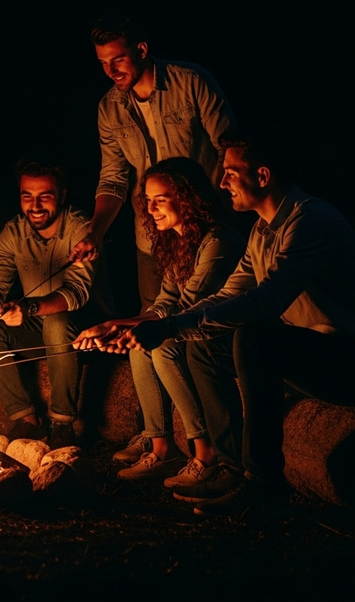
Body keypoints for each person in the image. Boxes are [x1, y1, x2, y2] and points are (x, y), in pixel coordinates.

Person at [107, 127, 355, 516]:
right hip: (308, 353)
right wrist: (161, 327)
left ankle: (265, 486)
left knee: (256, 338)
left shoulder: (309, 221)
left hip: (346, 357)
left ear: (262, 176)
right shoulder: (261, 232)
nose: (221, 181)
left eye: (230, 171)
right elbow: (227, 296)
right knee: (208, 345)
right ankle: (228, 465)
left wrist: (170, 326)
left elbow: (266, 299)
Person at [70, 12, 237, 464]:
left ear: (141, 50)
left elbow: (229, 147)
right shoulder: (110, 108)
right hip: (155, 238)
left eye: (118, 60)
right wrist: (96, 233)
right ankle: (156, 437)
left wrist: (224, 212)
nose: (111, 72)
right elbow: (113, 178)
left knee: (181, 332)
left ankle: (211, 450)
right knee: (152, 327)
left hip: (204, 227)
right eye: (103, 63)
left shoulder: (190, 83)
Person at [73, 157, 245, 487]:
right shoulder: (177, 241)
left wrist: (120, 325)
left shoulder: (218, 242)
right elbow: (165, 303)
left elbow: (187, 305)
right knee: (141, 347)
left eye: (160, 200)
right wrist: (117, 326)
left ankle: (204, 451)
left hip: (222, 334)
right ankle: (162, 447)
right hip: (188, 327)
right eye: (147, 201)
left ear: (187, 196)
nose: (150, 209)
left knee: (162, 347)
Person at [0, 159, 96, 450]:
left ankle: (61, 423)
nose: (34, 206)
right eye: (27, 196)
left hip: (85, 325)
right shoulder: (14, 231)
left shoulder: (80, 226)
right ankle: (27, 420)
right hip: (39, 324)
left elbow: (77, 293)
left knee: (58, 323)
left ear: (62, 195)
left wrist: (30, 308)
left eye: (44, 196)